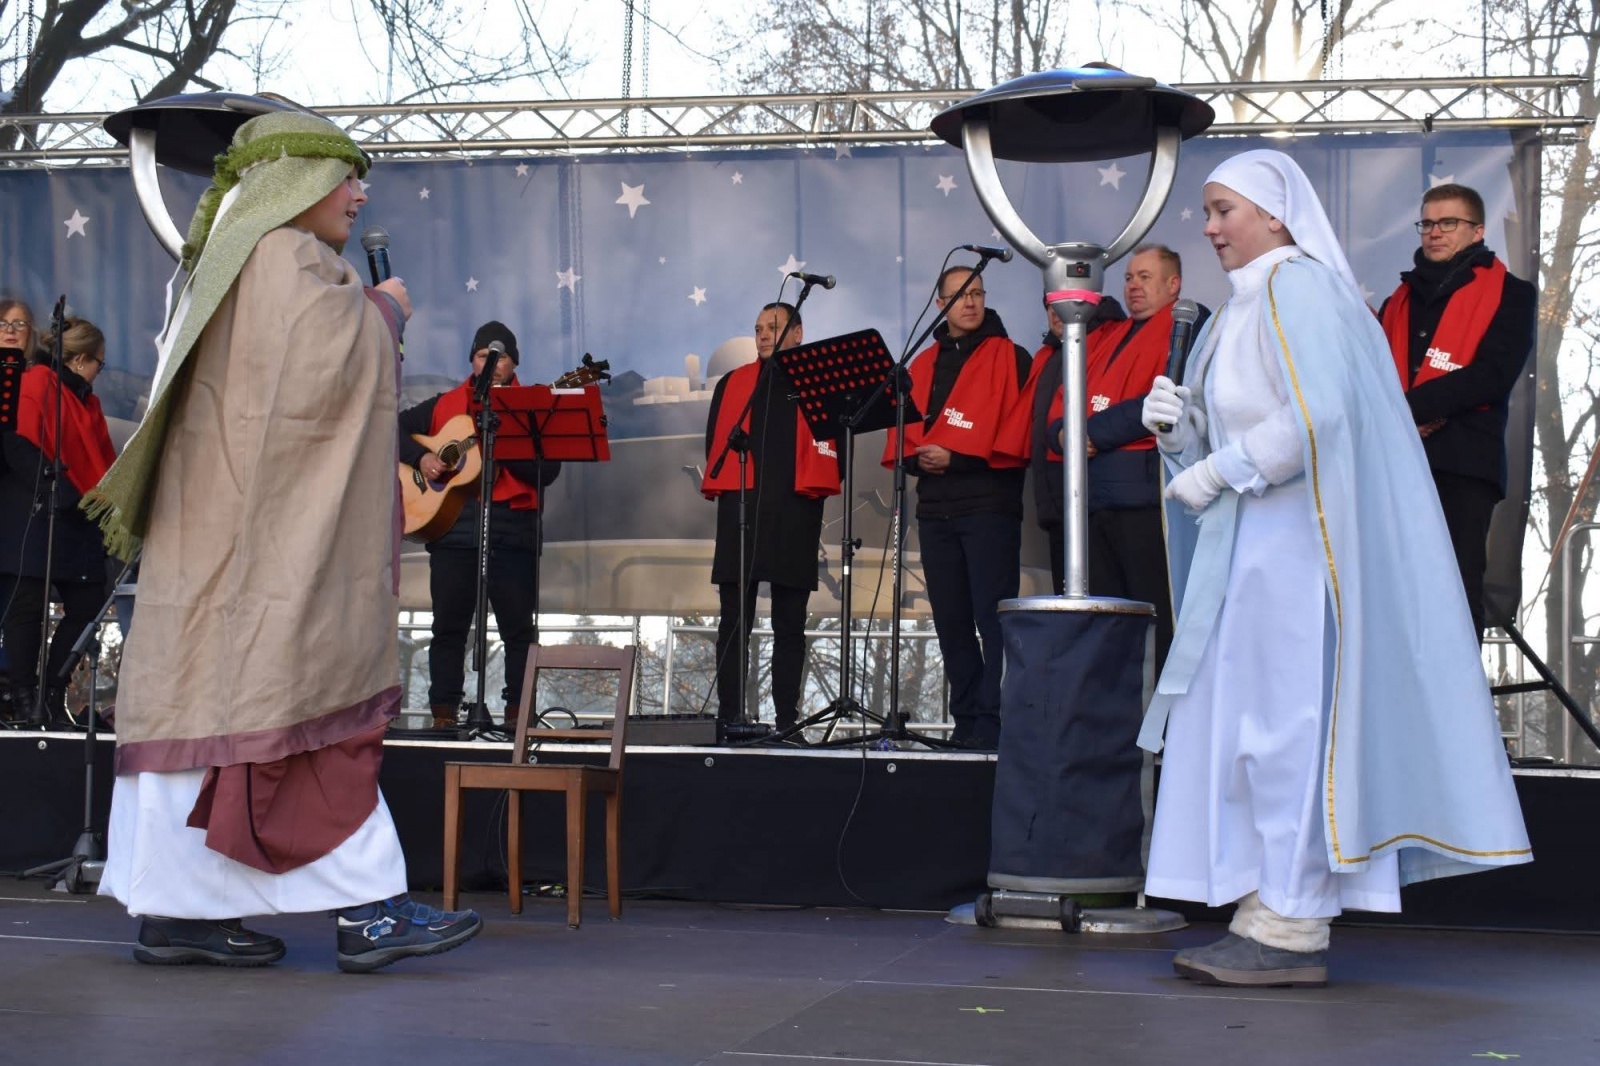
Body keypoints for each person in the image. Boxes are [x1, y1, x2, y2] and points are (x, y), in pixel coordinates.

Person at [86, 109, 481, 971]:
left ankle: (178, 911)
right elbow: (315, 368)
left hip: (216, 547)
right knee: (300, 699)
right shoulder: (282, 259)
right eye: (346, 177)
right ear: (297, 178)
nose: (359, 193)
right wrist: (380, 311)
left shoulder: (220, 264)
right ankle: (370, 912)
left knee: (197, 718)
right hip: (268, 552)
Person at [1136, 149, 1530, 988]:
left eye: (1222, 211)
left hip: (1298, 554)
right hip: (1251, 551)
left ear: (1276, 215)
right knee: (1249, 729)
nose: (1208, 229)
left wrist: (1217, 468)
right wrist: (1179, 432)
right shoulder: (1235, 312)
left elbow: (1319, 416)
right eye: (1206, 212)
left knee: (1287, 732)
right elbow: (1235, 434)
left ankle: (1292, 921)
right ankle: (1263, 904)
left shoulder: (1300, 288)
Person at [1378, 183, 1537, 640]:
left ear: (1477, 231)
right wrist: (1404, 416)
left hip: (1462, 465)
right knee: (1393, 595)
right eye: (1427, 222)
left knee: (1453, 592)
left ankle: (1460, 710)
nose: (1434, 232)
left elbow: (1493, 373)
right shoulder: (1398, 300)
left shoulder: (1512, 293)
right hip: (1396, 466)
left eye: (1448, 222)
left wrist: (1409, 409)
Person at [883, 266, 1030, 749]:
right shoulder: (920, 365)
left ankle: (993, 723)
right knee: (950, 622)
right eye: (960, 295)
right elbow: (901, 439)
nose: (971, 302)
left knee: (994, 621)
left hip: (989, 508)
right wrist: (918, 457)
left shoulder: (1013, 357)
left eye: (978, 293)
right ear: (940, 303)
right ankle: (966, 722)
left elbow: (1019, 436)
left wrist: (957, 457)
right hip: (935, 512)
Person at [398, 321, 561, 733]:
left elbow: (547, 471)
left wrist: (503, 439)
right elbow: (394, 428)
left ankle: (516, 716)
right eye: (483, 355)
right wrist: (422, 459)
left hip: (512, 526)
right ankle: (444, 715)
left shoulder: (531, 406)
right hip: (453, 526)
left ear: (514, 362)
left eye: (500, 355)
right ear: (472, 360)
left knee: (518, 629)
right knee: (448, 626)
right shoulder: (443, 404)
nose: (491, 362)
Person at [702, 302, 839, 736]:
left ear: (797, 333)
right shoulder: (734, 383)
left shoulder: (817, 382)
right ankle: (730, 717)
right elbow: (715, 446)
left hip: (795, 510)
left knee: (790, 624)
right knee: (733, 622)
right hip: (740, 511)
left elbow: (837, 450)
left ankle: (786, 721)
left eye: (774, 327)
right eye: (758, 328)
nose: (763, 335)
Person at [0, 314, 116, 727]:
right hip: (34, 510)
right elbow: (20, 443)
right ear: (81, 358)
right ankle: (25, 698)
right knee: (26, 606)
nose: (100, 373)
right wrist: (59, 488)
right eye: (100, 364)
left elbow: (103, 459)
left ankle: (51, 690)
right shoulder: (34, 383)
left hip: (78, 514)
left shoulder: (90, 401)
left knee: (88, 602)